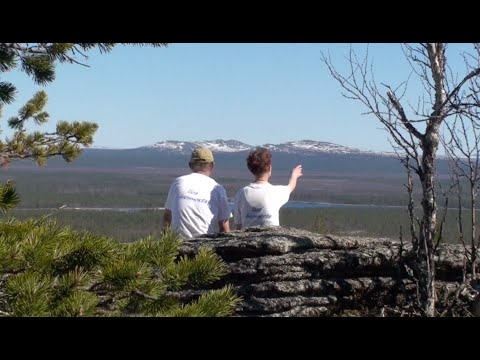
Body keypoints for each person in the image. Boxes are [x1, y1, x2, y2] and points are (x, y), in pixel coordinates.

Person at [163, 148, 232, 239]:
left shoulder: (178, 183)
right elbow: (225, 229)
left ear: (190, 165)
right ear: (212, 165)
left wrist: (165, 246)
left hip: (177, 245)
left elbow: (167, 217)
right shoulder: (218, 189)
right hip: (206, 247)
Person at [234, 147, 302, 230]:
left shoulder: (241, 193)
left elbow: (238, 226)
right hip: (271, 238)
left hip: (247, 240)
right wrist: (294, 175)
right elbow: (290, 186)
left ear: (251, 169)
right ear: (269, 168)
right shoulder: (276, 192)